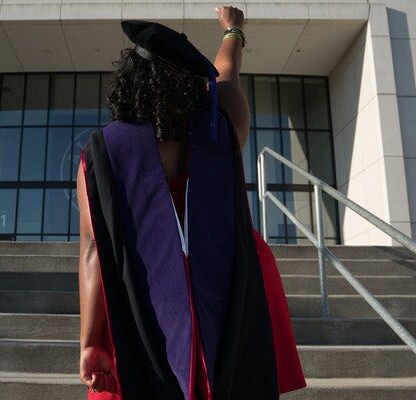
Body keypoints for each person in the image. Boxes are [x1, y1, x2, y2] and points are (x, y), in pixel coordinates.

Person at [77, 7, 306, 400]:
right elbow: (227, 71)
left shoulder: (102, 153)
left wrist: (90, 341)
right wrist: (233, 29)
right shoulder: (221, 131)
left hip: (144, 307)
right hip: (231, 294)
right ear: (191, 86)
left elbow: (94, 253)